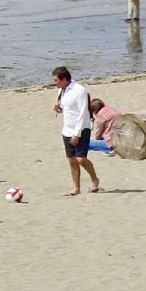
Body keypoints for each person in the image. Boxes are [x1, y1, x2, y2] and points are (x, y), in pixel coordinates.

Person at [53, 66, 101, 195]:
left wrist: (77, 134)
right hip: (67, 128)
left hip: (81, 128)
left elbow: (82, 113)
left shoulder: (79, 91)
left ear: (64, 79)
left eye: (56, 80)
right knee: (72, 160)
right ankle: (76, 188)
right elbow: (68, 109)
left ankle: (94, 179)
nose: (54, 83)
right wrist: (59, 108)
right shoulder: (61, 91)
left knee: (81, 159)